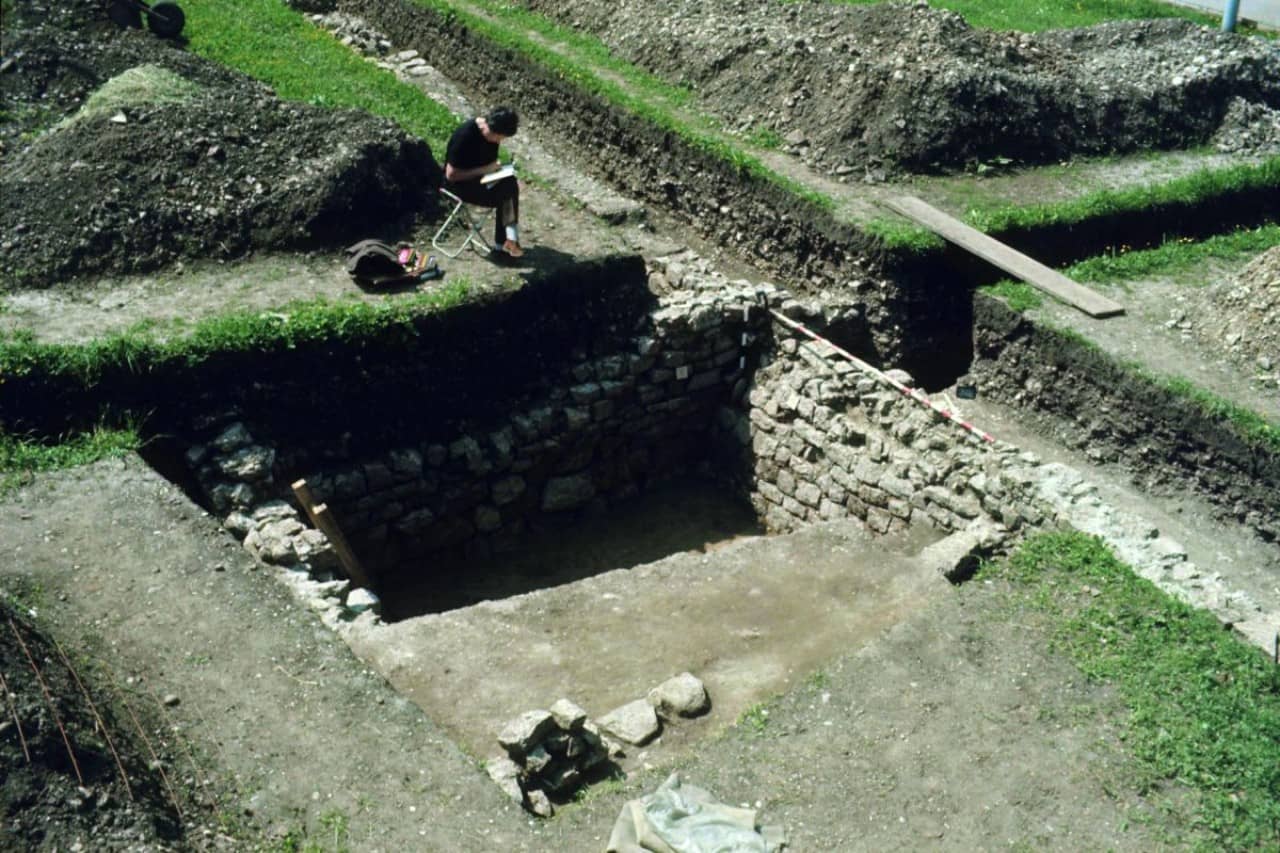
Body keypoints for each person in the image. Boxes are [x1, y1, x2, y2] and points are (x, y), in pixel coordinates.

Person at [443, 106, 523, 258]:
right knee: (507, 194)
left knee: (509, 184)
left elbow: (488, 164)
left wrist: (500, 171)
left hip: (481, 181)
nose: (498, 141)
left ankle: (506, 242)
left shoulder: (491, 136)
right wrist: (485, 170)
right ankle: (507, 242)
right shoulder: (465, 135)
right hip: (458, 186)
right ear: (489, 126)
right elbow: (451, 175)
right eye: (498, 137)